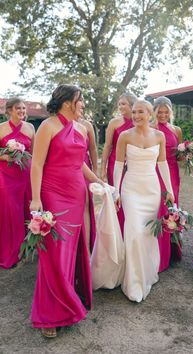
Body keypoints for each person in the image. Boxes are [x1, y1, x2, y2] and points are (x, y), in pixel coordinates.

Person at [30, 84, 102, 338]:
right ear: (69, 101)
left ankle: (67, 300)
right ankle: (49, 315)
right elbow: (37, 164)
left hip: (76, 196)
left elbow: (80, 165)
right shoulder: (48, 126)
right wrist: (36, 199)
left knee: (69, 251)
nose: (83, 105)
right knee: (53, 254)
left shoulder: (82, 129)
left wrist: (100, 183)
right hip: (52, 194)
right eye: (80, 100)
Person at [114, 99, 174, 302]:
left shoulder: (160, 136)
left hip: (152, 189)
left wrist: (170, 189)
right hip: (131, 188)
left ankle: (147, 272)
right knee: (134, 232)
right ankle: (133, 282)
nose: (136, 116)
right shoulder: (124, 136)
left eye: (141, 112)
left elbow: (163, 163)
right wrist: (116, 191)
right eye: (134, 112)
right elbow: (118, 164)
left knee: (148, 233)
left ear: (150, 114)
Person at [0, 97, 35, 269]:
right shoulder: (1, 129)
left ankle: (25, 249)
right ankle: (10, 251)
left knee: (26, 210)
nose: (22, 111)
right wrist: (5, 156)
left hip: (26, 174)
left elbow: (35, 153)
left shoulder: (30, 128)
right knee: (10, 212)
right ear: (9, 111)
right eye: (18, 108)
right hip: (6, 175)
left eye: (23, 108)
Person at [152, 96, 183, 271]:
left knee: (172, 209)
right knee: (159, 209)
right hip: (155, 172)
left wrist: (185, 153)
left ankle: (172, 249)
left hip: (173, 174)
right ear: (154, 112)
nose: (163, 115)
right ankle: (158, 251)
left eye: (166, 112)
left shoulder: (176, 130)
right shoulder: (149, 129)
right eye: (159, 112)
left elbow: (178, 156)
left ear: (170, 112)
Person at [101, 92, 137, 234]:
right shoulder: (114, 122)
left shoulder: (139, 122)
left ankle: (130, 232)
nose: (120, 107)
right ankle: (118, 233)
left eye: (123, 104)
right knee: (117, 197)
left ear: (132, 105)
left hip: (134, 166)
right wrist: (103, 168)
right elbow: (108, 146)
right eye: (119, 104)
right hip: (115, 165)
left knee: (131, 199)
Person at [80, 110, 98, 254]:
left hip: (85, 165)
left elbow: (92, 148)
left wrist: (95, 170)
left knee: (85, 202)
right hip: (67, 167)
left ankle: (86, 246)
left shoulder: (87, 125)